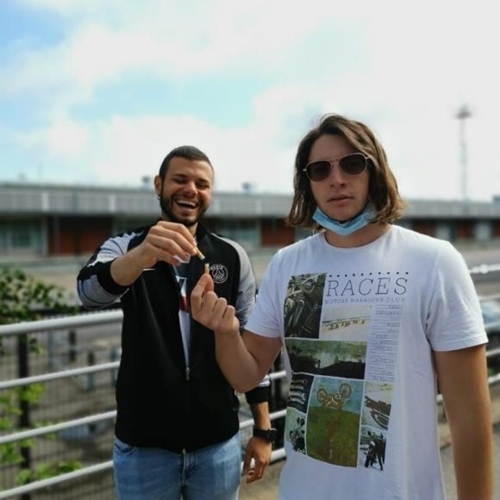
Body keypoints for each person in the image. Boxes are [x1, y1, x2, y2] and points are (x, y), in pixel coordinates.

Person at [190, 113, 494, 499]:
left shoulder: (433, 262)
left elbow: (469, 418)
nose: (336, 179)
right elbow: (246, 375)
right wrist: (225, 331)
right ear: (308, 183)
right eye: (320, 169)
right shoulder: (287, 264)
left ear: (375, 170)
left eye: (352, 164)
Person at [77, 145, 274, 500]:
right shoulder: (127, 246)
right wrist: (142, 256)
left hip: (218, 443)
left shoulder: (231, 256)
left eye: (202, 184)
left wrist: (263, 429)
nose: (191, 190)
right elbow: (88, 292)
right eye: (180, 179)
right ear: (159, 185)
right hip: (144, 447)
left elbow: (252, 346)